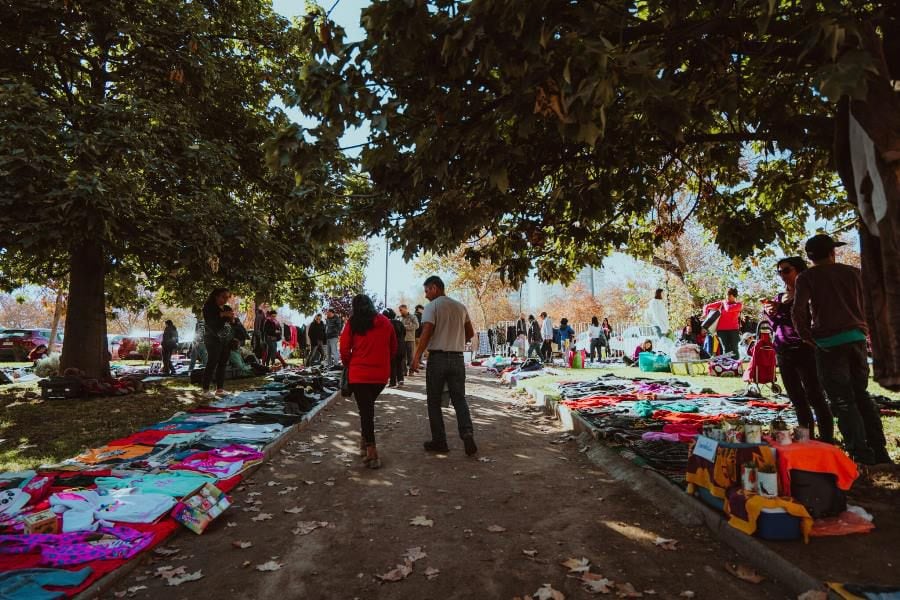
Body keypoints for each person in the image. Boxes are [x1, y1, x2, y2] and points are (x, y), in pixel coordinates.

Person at [792, 234, 890, 465]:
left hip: (828, 344)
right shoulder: (854, 273)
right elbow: (872, 305)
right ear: (832, 252)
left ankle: (861, 455)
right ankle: (879, 451)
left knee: (842, 401)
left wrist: (807, 336)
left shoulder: (807, 277)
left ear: (810, 257)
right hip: (855, 339)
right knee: (861, 395)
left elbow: (797, 311)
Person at [764, 257, 833, 443]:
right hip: (783, 350)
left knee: (815, 395)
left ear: (799, 270)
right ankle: (806, 438)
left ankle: (827, 439)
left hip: (805, 349)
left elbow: (805, 318)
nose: (782, 275)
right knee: (796, 397)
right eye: (779, 272)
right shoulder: (779, 297)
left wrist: (783, 309)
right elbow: (776, 324)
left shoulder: (810, 294)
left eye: (787, 270)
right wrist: (770, 313)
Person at [410, 275, 478, 456]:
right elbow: (470, 332)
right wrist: (455, 342)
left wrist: (416, 357)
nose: (425, 295)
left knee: (433, 401)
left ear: (435, 288)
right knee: (459, 399)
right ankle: (467, 433)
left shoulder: (432, 307)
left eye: (427, 291)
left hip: (437, 359)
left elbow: (426, 332)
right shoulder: (460, 307)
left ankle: (440, 441)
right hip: (457, 358)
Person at [340, 294, 397, 469]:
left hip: (359, 374)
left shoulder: (353, 323)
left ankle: (372, 452)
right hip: (380, 376)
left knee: (366, 411)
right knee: (367, 409)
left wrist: (349, 363)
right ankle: (364, 442)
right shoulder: (386, 322)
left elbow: (343, 348)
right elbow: (393, 348)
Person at [201, 288, 234, 395]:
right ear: (216, 296)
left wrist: (232, 319)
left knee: (223, 363)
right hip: (212, 338)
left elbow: (231, 323)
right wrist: (223, 315)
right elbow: (210, 322)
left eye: (227, 297)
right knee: (212, 362)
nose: (225, 299)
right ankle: (205, 389)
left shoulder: (227, 308)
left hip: (226, 338)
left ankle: (219, 389)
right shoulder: (208, 307)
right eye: (223, 297)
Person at [704, 288, 743, 358]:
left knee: (734, 348)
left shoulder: (738, 305)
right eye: (727, 295)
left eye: (729, 296)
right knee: (725, 349)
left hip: (734, 330)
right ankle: (727, 367)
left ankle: (736, 366)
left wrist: (724, 302)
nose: (727, 297)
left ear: (734, 296)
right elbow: (706, 306)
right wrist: (706, 315)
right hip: (721, 331)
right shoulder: (721, 303)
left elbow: (728, 309)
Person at [383, 308, 406, 387]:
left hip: (393, 346)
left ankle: (392, 382)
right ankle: (401, 380)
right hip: (402, 346)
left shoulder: (387, 323)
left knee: (392, 364)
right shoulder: (400, 323)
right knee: (399, 364)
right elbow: (404, 333)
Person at [398, 305, 419, 377]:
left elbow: (416, 326)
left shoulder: (413, 317)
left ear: (406, 309)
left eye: (401, 310)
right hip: (402, 340)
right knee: (402, 356)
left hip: (410, 339)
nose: (400, 311)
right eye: (399, 310)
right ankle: (404, 371)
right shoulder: (399, 318)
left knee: (411, 356)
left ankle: (411, 371)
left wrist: (404, 327)